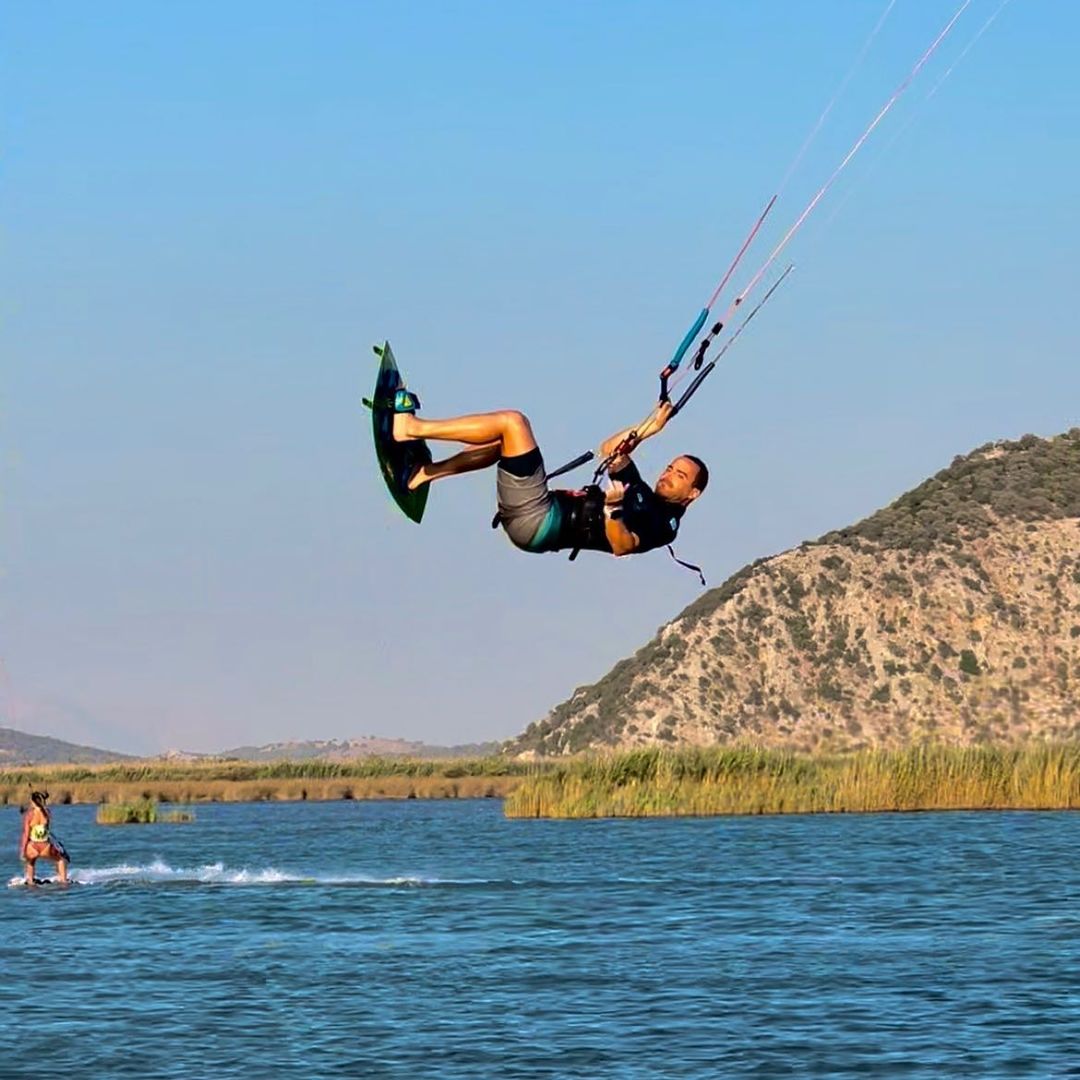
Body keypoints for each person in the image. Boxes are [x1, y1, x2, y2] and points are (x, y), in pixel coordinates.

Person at [391, 394, 707, 557]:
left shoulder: (663, 525)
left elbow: (623, 546)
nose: (668, 474)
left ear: (692, 493)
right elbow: (611, 450)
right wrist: (650, 427)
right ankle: (421, 474)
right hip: (539, 512)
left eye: (680, 475)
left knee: (514, 423)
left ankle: (413, 428)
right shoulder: (639, 490)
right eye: (669, 467)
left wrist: (614, 511)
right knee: (504, 444)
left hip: (539, 521)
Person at [20, 790, 69, 887]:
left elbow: (26, 834)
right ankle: (63, 881)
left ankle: (30, 881)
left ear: (33, 801)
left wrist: (23, 850)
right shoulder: (47, 813)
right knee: (61, 859)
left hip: (32, 846)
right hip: (45, 846)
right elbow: (47, 825)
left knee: (31, 861)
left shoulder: (29, 815)